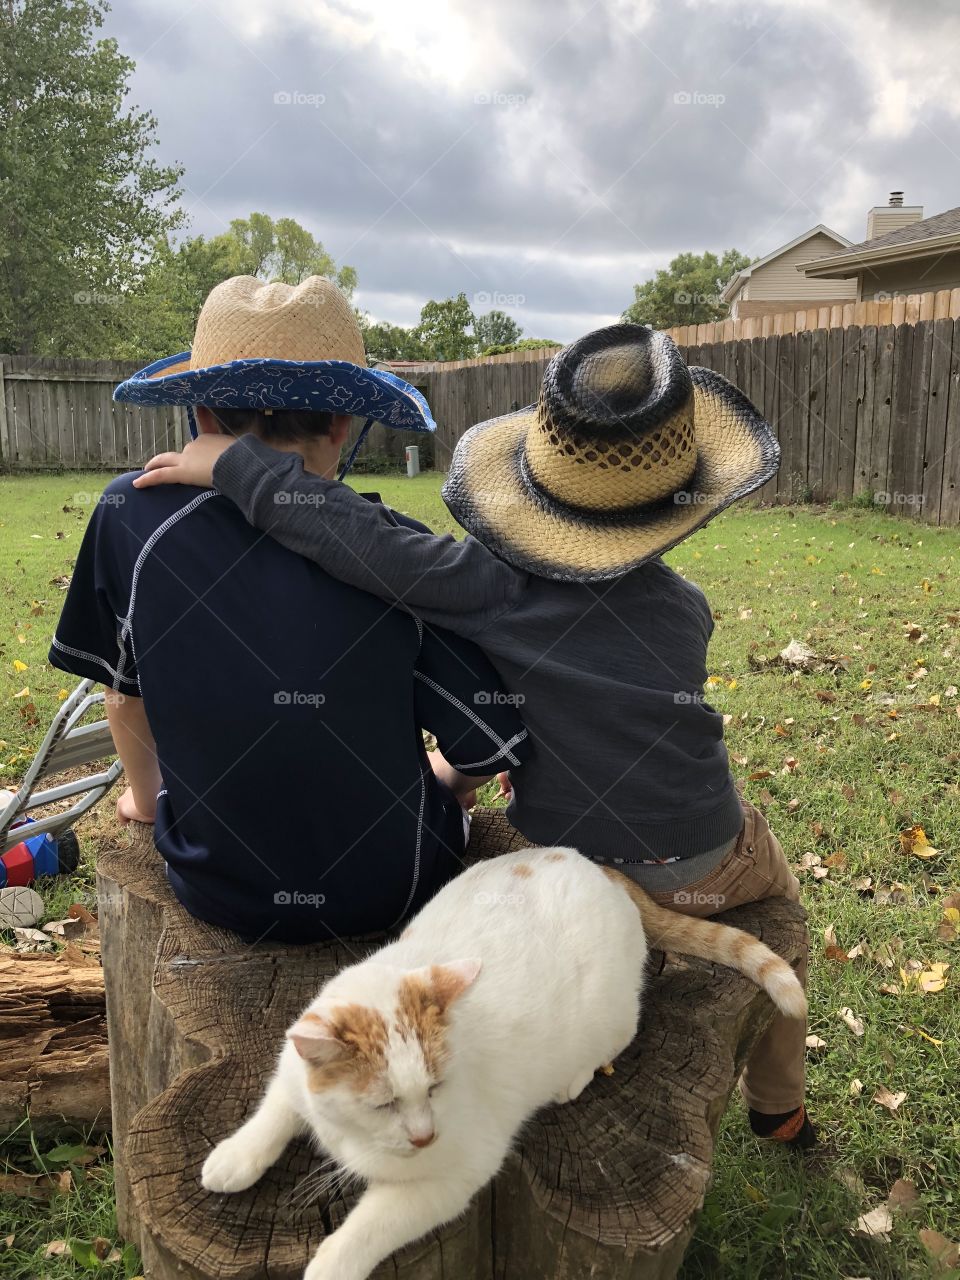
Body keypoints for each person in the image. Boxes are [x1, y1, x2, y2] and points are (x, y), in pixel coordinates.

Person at [136, 322, 816, 1149]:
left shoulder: (487, 588)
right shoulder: (686, 610)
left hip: (560, 855)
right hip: (702, 859)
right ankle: (779, 1105)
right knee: (781, 904)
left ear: (531, 487)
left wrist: (240, 465)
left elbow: (360, 539)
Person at [48, 275, 529, 945]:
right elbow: (486, 746)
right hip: (397, 889)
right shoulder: (403, 557)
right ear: (343, 424)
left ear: (204, 420)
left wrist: (142, 795)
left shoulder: (132, 514)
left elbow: (125, 696)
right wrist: (447, 783)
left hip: (212, 886)